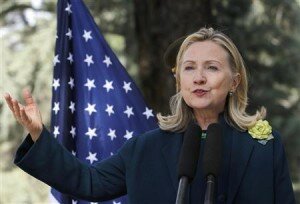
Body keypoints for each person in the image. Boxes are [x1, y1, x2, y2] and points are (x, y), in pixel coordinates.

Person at [4, 27, 295, 204]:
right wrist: (39, 134)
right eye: (189, 67)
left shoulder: (264, 147)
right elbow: (88, 182)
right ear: (179, 80)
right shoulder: (145, 148)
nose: (199, 78)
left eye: (212, 67)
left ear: (234, 81)